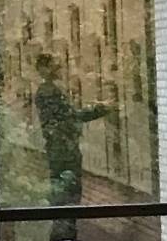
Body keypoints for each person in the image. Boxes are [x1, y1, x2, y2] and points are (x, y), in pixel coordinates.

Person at [33, 52, 111, 204]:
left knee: (65, 193)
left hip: (60, 147)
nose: (59, 69)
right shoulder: (49, 91)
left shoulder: (49, 90)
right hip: (63, 149)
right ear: (45, 69)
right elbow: (71, 116)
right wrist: (101, 108)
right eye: (55, 66)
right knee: (68, 194)